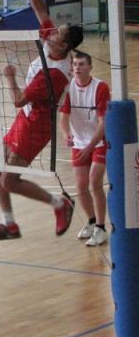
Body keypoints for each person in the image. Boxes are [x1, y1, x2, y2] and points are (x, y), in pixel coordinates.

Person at [0, 0, 84, 240]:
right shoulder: (53, 44)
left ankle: (60, 204)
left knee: (9, 179)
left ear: (63, 46)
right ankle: (9, 224)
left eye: (58, 33)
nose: (52, 32)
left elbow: (18, 100)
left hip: (37, 125)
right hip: (27, 117)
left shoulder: (54, 75)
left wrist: (9, 77)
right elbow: (40, 9)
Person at [59, 51, 110, 246]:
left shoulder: (100, 87)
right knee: (81, 186)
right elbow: (63, 118)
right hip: (80, 142)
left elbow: (103, 123)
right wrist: (66, 134)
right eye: (75, 64)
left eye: (81, 64)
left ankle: (101, 228)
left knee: (94, 181)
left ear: (90, 67)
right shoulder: (69, 87)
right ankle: (91, 221)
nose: (77, 67)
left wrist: (90, 146)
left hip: (99, 141)